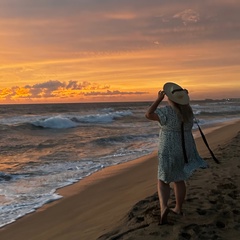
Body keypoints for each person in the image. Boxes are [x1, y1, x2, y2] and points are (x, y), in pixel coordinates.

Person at [145, 82, 208, 225]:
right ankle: (178, 208)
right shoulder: (188, 111)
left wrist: (158, 99)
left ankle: (163, 207)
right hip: (184, 147)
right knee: (179, 178)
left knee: (163, 179)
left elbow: (148, 114)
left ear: (169, 98)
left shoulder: (166, 111)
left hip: (168, 147)